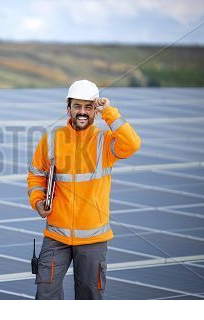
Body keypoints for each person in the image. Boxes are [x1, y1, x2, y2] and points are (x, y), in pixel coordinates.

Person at [27, 79, 141, 300]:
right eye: (77, 106)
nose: (82, 112)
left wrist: (108, 111)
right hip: (56, 236)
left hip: (93, 240)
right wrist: (38, 201)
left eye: (88, 107)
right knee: (45, 293)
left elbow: (133, 143)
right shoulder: (51, 139)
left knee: (89, 298)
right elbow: (36, 175)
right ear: (68, 108)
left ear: (95, 111)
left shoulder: (105, 141)